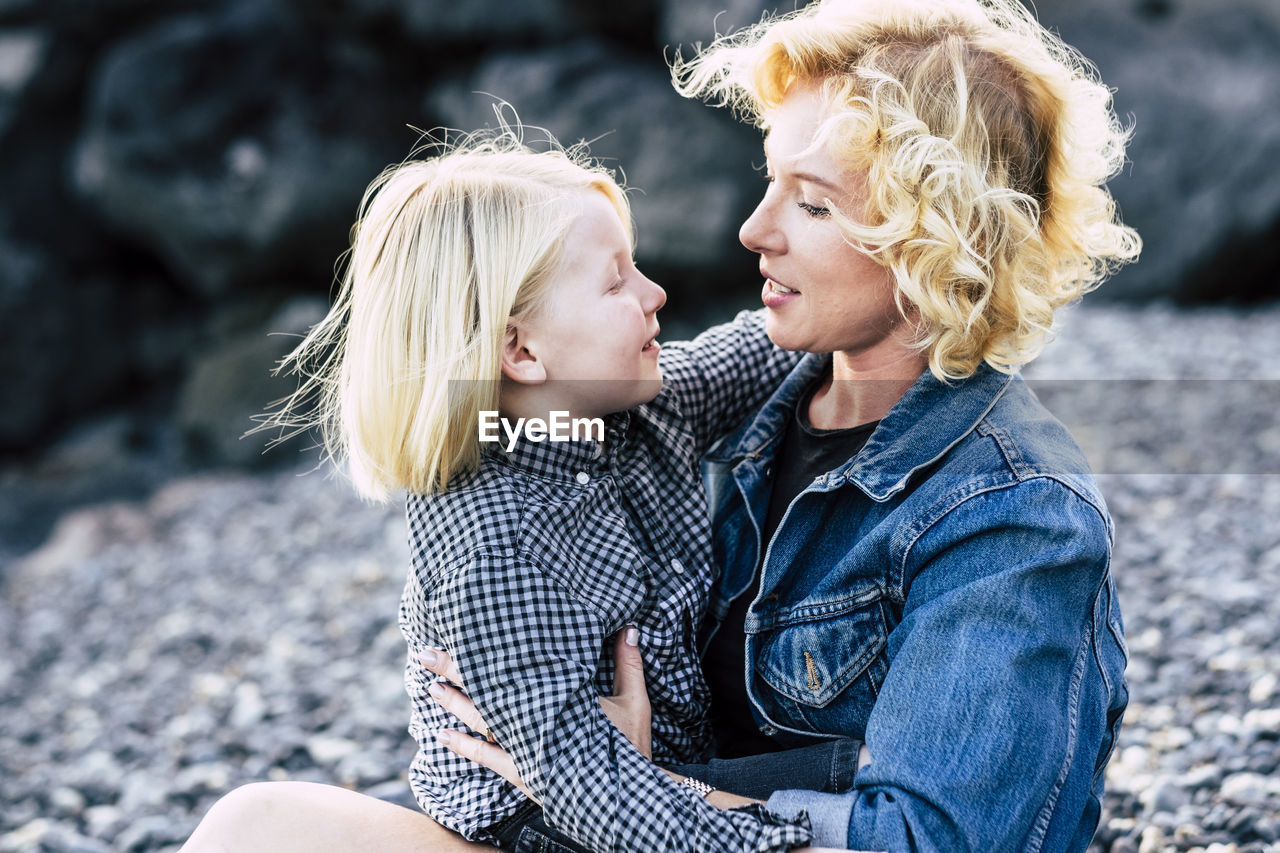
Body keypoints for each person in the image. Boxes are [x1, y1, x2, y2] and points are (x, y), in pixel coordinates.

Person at [185, 0, 1141, 848]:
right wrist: (585, 767)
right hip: (616, 820)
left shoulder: (1011, 513)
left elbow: (930, 841)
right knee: (252, 826)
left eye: (810, 202)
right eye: (770, 181)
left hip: (659, 826)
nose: (752, 230)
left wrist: (643, 788)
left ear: (930, 240)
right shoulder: (699, 410)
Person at [181, 129, 823, 853]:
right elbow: (587, 788)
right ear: (521, 349)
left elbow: (767, 346)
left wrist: (890, 276)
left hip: (658, 772)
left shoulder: (638, 403)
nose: (655, 292)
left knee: (868, 775)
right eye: (616, 281)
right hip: (545, 821)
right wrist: (781, 846)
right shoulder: (493, 537)